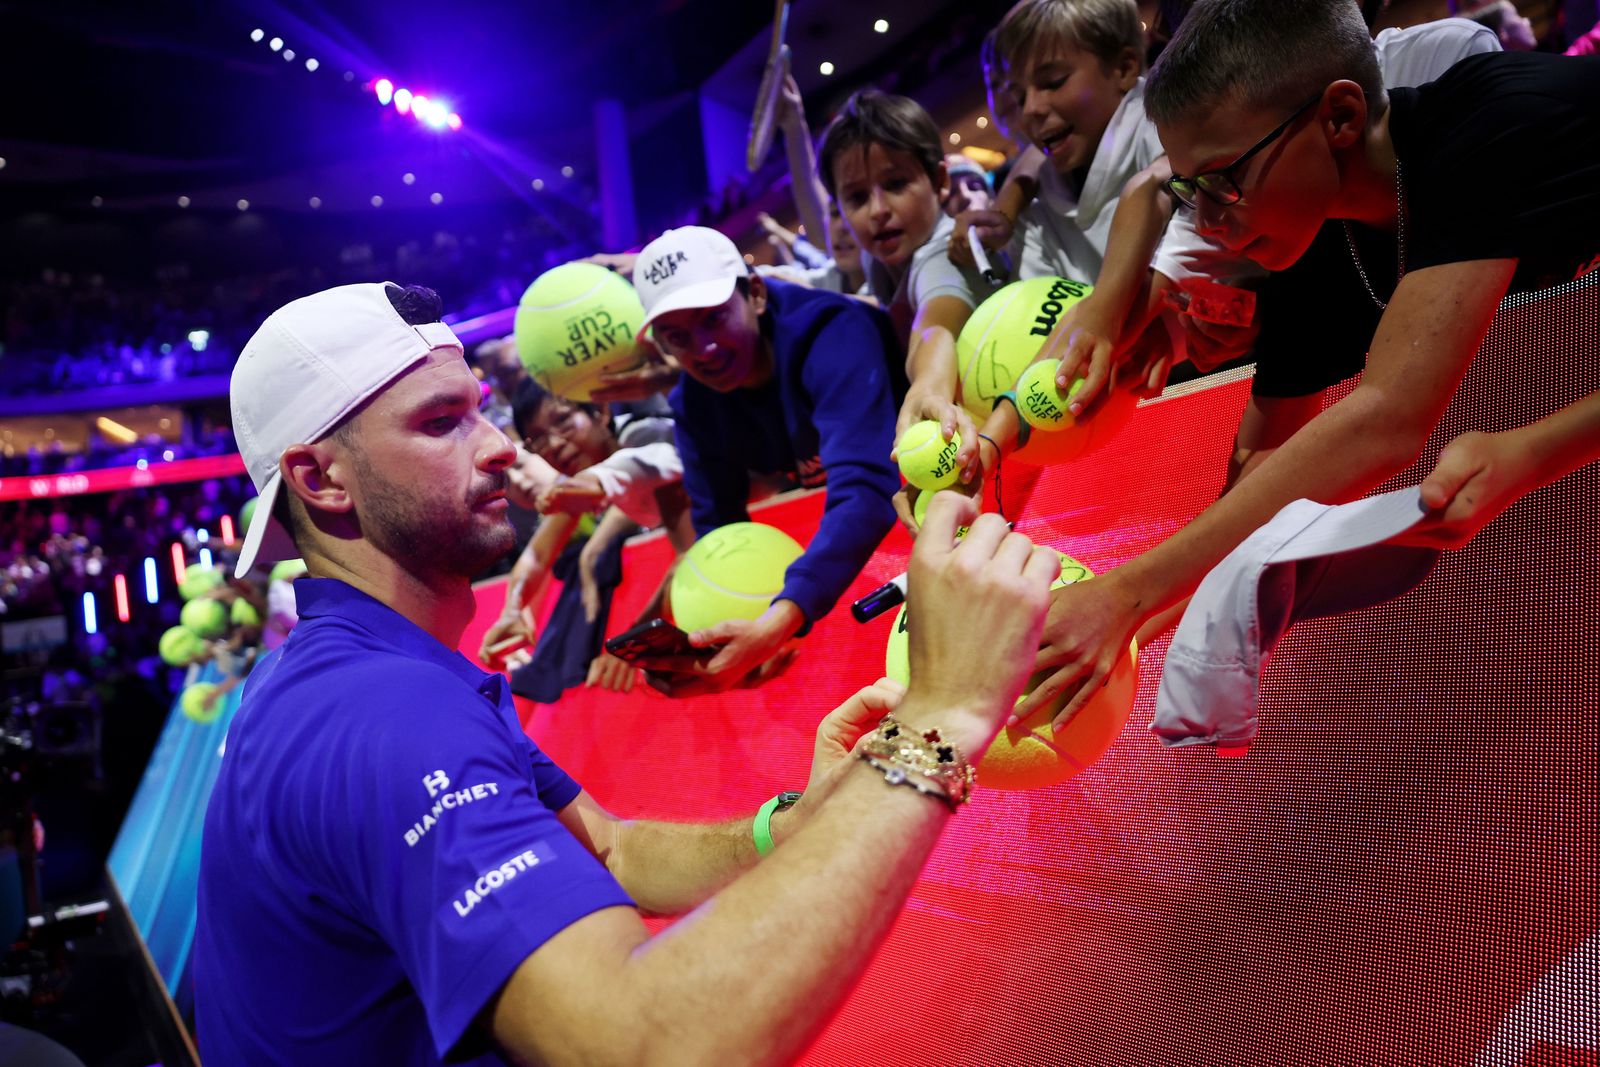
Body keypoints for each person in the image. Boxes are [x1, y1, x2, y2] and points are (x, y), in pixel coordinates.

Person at [195, 279, 1061, 1065]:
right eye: (440, 421)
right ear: (321, 478)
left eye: (481, 409)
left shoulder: (351, 671)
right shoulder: (381, 714)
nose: (500, 446)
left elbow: (606, 848)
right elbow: (649, 1044)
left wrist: (792, 827)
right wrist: (939, 718)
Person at [1021, 0, 1600, 727]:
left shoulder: (1498, 121)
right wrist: (1142, 629)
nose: (1208, 222)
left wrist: (1126, 595)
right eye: (1190, 192)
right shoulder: (1313, 237)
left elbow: (1386, 419)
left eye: (1224, 180)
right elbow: (1264, 465)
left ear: (1340, 117)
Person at [629, 226, 905, 693]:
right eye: (677, 337)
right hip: (859, 553)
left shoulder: (834, 332)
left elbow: (868, 491)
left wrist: (779, 620)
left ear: (755, 294)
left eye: (713, 319)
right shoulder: (694, 403)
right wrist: (715, 639)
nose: (702, 350)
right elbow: (721, 534)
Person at [818, 89, 995, 484]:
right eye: (857, 197)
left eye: (896, 183)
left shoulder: (943, 251)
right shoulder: (878, 256)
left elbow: (936, 321)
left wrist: (928, 388)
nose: (878, 210)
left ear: (940, 180)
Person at [479, 379, 693, 695]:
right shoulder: (578, 482)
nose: (553, 444)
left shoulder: (647, 437)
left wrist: (636, 639)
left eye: (563, 421)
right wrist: (511, 611)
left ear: (601, 412)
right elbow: (536, 557)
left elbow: (689, 549)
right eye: (536, 439)